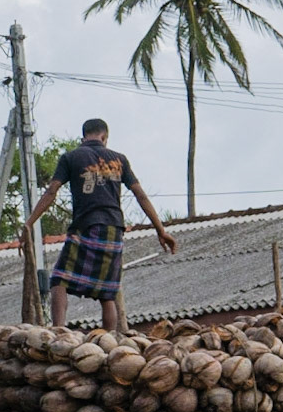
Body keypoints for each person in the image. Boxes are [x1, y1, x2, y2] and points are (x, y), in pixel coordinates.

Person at [24, 118, 178, 330]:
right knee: (107, 291)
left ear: (83, 137)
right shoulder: (120, 159)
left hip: (85, 225)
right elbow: (140, 195)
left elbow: (52, 191)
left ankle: (59, 330)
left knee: (59, 280)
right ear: (104, 138)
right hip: (114, 229)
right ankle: (109, 339)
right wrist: (161, 231)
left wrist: (29, 224)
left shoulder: (71, 157)